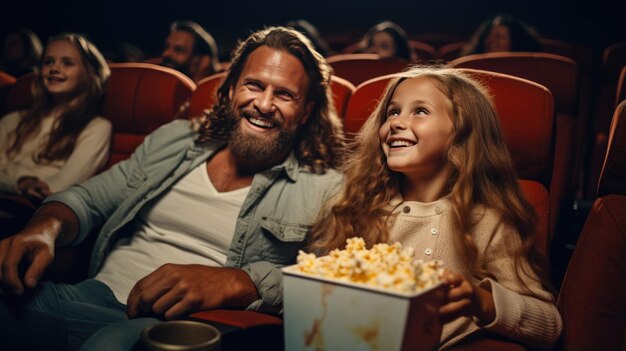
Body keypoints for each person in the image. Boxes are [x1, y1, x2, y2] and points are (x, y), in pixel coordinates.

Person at [0, 26, 345, 350]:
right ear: (230, 91)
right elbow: (88, 198)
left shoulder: (323, 186)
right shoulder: (175, 139)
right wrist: (45, 228)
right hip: (93, 294)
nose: (265, 104)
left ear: (305, 111)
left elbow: (332, 280)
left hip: (189, 324)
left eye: (284, 94)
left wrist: (236, 282)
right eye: (254, 85)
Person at [308, 66, 562, 349]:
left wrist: (484, 301)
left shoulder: (488, 221)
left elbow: (549, 324)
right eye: (393, 112)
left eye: (420, 111)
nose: (396, 122)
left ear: (461, 131)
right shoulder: (358, 208)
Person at [0, 33, 111, 202]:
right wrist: (21, 183)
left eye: (67, 63)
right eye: (48, 62)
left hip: (30, 212)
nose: (54, 68)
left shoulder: (96, 128)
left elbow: (60, 187)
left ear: (89, 73)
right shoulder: (12, 120)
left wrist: (23, 186)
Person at [461, 13, 543, 56]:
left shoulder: (533, 67)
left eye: (499, 36)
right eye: (487, 35)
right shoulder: (471, 66)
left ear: (514, 42)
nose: (490, 40)